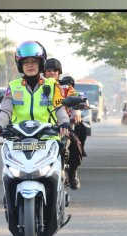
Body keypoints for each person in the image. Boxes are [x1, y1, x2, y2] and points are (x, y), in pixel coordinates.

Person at [0, 41, 70, 139]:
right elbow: (6, 110)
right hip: (18, 138)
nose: (30, 65)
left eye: (34, 62)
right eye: (26, 62)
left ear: (40, 64)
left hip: (47, 137)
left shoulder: (52, 85)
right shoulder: (13, 86)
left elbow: (59, 108)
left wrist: (64, 122)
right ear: (21, 65)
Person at [44, 58, 85, 189]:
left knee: (74, 143)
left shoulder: (66, 88)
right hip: (37, 129)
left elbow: (78, 98)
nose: (52, 73)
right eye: (48, 70)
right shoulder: (37, 86)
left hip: (61, 127)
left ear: (59, 72)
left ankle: (72, 172)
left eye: (55, 70)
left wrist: (76, 111)